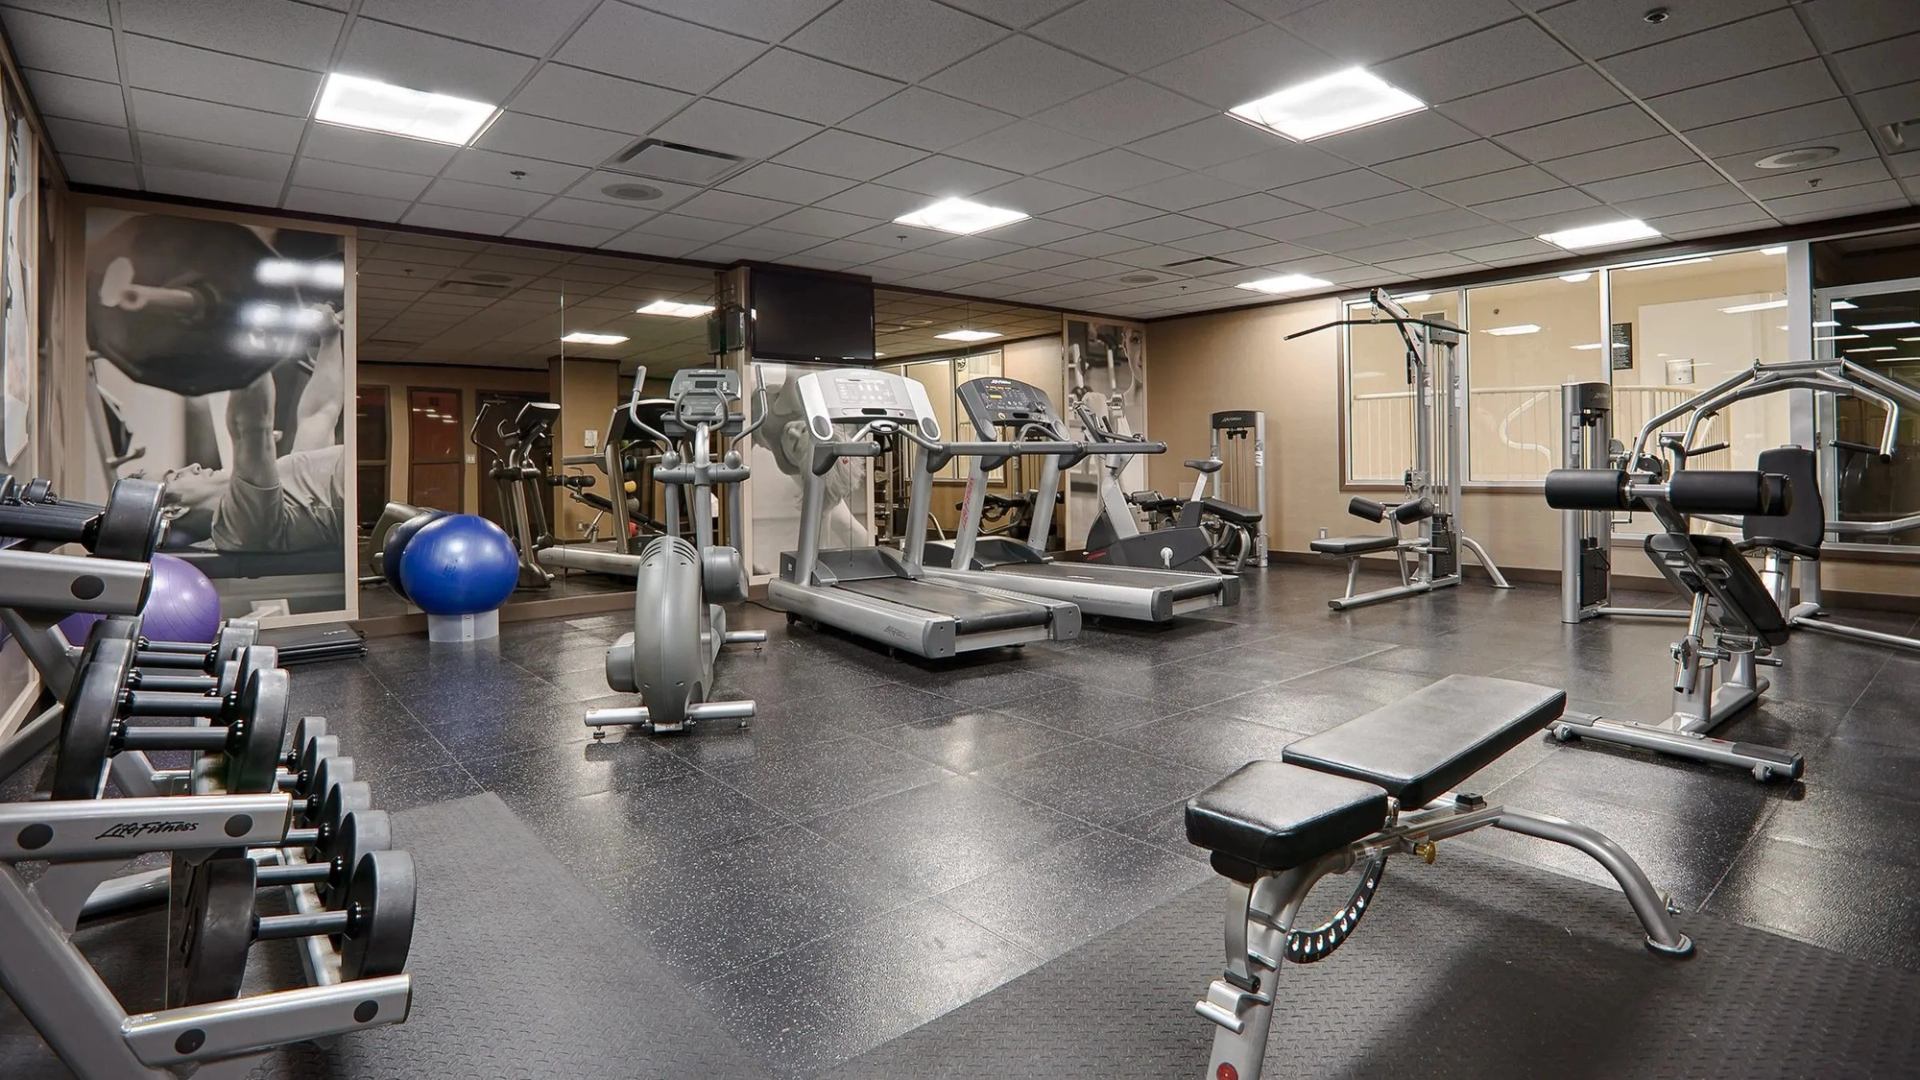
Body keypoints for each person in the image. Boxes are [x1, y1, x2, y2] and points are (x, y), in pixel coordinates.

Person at [162, 370, 343, 552]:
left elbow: (320, 413)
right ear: (174, 510)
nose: (195, 466)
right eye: (176, 478)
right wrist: (249, 354)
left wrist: (330, 342)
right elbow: (251, 426)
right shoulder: (239, 525)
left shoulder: (287, 491)